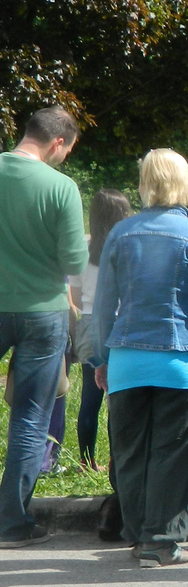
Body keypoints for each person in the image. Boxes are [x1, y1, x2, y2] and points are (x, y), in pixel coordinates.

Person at [92, 149, 188, 567]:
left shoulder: (121, 233)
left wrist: (102, 358)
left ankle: (138, 537)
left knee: (131, 453)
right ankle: (163, 541)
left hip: (126, 362)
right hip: (180, 364)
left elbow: (103, 305)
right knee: (174, 454)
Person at [0, 107, 86, 548]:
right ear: (58, 142)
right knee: (30, 418)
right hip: (42, 311)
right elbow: (74, 263)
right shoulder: (61, 188)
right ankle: (11, 523)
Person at [70, 189, 132, 471]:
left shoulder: (83, 250)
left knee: (89, 398)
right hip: (119, 323)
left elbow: (76, 292)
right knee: (117, 397)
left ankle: (86, 460)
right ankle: (114, 458)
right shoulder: (128, 249)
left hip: (89, 323)